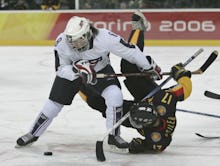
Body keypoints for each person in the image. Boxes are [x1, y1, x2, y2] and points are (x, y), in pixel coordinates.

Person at [16, 10, 162, 150]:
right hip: (72, 74)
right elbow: (61, 68)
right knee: (53, 104)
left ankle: (114, 136)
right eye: (72, 41)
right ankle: (33, 133)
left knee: (115, 96)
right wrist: (76, 70)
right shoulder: (62, 42)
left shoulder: (105, 37)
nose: (75, 45)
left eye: (79, 40)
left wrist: (148, 66)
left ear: (88, 33)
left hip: (100, 70)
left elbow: (130, 51)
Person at [78, 12, 192, 153]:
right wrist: (182, 75)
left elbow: (150, 147)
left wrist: (137, 146)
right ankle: (139, 27)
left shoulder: (156, 138)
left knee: (101, 104)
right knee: (128, 65)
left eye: (134, 123)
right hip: (149, 95)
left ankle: (77, 85)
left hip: (143, 108)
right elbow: (185, 89)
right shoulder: (164, 101)